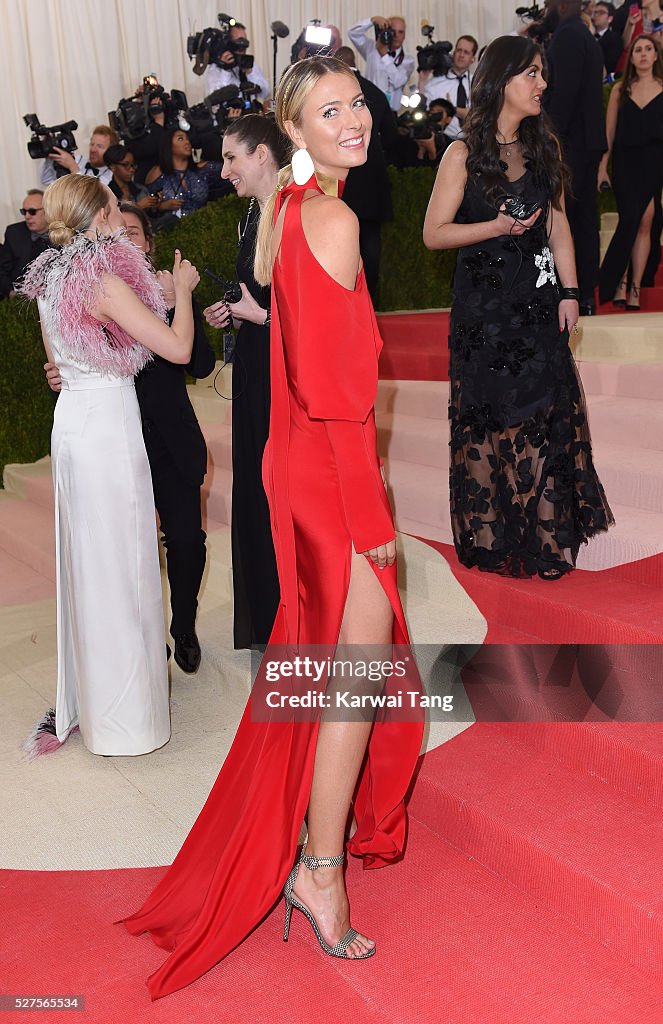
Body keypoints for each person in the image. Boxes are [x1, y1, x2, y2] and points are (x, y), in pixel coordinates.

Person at [122, 56, 423, 998]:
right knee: (351, 677)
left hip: (300, 470)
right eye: (328, 111)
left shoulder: (288, 213)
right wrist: (373, 519)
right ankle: (319, 876)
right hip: (333, 479)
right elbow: (336, 397)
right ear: (293, 129)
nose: (354, 120)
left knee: (332, 666)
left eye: (357, 103)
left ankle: (311, 852)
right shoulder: (327, 218)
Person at [20, 175, 199, 756]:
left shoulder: (49, 279)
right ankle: (128, 720)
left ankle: (98, 709)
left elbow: (59, 365)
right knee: (121, 564)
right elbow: (177, 350)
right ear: (100, 218)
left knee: (89, 563)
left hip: (72, 425)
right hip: (108, 429)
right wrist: (185, 294)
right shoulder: (98, 279)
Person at [423, 34, 613, 580]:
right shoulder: (462, 152)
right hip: (483, 314)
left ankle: (546, 540)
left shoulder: (544, 146)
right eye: (531, 73)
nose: (542, 84)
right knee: (488, 424)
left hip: (537, 304)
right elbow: (434, 234)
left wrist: (572, 294)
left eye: (542, 73)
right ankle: (496, 536)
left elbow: (559, 229)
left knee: (546, 417)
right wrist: (497, 226)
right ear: (501, 79)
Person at [44, 202, 215, 672]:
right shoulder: (94, 290)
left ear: (148, 244)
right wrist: (62, 370)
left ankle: (184, 625)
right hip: (117, 437)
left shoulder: (159, 291)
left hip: (170, 440)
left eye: (137, 233)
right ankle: (142, 636)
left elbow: (197, 363)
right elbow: (77, 351)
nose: (129, 238)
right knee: (127, 545)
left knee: (186, 541)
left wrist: (178, 301)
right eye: (124, 227)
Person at [203, 114, 286, 649]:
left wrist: (257, 317)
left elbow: (319, 318)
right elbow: (262, 301)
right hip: (257, 367)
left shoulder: (295, 212)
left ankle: (291, 617)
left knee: (281, 489)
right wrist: (235, 313)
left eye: (232, 156)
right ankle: (267, 616)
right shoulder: (253, 216)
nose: (224, 168)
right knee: (258, 486)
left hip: (287, 375)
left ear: (261, 154)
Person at [543, 0, 607, 315]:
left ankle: (574, 292)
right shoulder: (582, 34)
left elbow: (564, 95)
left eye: (548, 2)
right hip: (585, 140)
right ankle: (585, 295)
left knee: (568, 218)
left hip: (571, 143)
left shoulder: (568, 35)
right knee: (583, 219)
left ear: (564, 3)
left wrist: (548, 137)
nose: (544, 7)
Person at [598, 35, 663, 307]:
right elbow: (609, 133)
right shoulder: (620, 89)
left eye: (649, 49)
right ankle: (618, 281)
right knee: (630, 219)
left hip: (655, 162)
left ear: (656, 55)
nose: (644, 54)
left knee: (647, 220)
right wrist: (602, 168)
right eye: (638, 49)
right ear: (632, 56)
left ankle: (633, 287)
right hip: (625, 162)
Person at [335, 45, 397, 299]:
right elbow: (392, 139)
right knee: (370, 248)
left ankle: (346, 301)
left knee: (341, 246)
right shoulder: (376, 93)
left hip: (343, 183)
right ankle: (369, 302)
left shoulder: (332, 94)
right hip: (372, 184)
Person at [145, 128, 227, 218]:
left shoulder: (203, 170)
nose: (187, 142)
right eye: (180, 139)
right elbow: (147, 209)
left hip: (204, 225)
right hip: (171, 229)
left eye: (188, 139)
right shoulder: (157, 173)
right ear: (168, 145)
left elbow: (228, 169)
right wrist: (162, 206)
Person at [418, 36, 479, 142]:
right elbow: (423, 112)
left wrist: (452, 109)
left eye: (466, 52)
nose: (461, 55)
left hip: (473, 141)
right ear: (453, 53)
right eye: (459, 50)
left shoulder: (478, 83)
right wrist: (422, 82)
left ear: (473, 58)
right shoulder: (435, 84)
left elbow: (480, 114)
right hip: (445, 141)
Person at [348, 15, 415, 111]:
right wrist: (371, 21)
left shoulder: (408, 60)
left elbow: (398, 81)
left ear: (404, 35)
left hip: (391, 112)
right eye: (393, 31)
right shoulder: (371, 48)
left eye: (400, 32)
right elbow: (352, 33)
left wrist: (384, 55)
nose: (396, 35)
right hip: (369, 109)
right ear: (386, 30)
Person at [0, 190, 50, 299]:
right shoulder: (14, 232)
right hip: (17, 297)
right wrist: (10, 292)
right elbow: (2, 269)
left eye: (32, 211)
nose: (27, 216)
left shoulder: (63, 234)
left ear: (47, 211)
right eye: (24, 211)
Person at [206, 20, 270, 101]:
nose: (242, 48)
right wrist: (226, 70)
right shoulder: (215, 68)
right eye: (239, 42)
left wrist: (250, 73)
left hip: (250, 111)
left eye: (245, 42)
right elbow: (214, 96)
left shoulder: (248, 63)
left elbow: (265, 93)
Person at [40, 124, 116, 187]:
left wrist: (73, 168)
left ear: (111, 150)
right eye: (92, 144)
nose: (93, 150)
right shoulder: (79, 160)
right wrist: (50, 153)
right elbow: (47, 180)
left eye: (99, 146)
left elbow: (88, 197)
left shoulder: (112, 176)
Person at [592, 2, 624, 73]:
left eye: (601, 12)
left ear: (610, 18)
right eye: (595, 12)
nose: (596, 15)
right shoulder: (587, 35)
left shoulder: (615, 39)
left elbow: (610, 65)